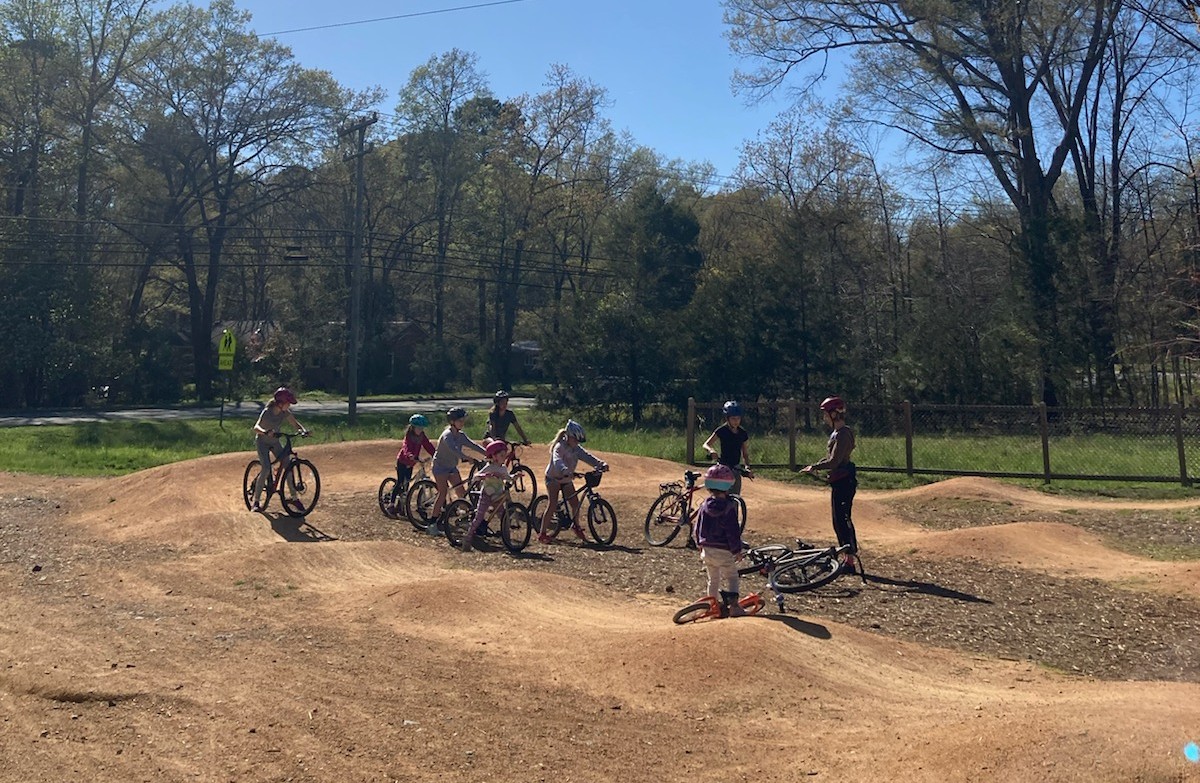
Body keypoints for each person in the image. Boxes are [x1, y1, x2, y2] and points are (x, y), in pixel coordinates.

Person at [801, 395, 859, 574]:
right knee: (838, 520)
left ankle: (850, 560)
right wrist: (818, 465)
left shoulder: (843, 434)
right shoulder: (837, 433)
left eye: (826, 414)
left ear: (834, 414)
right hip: (838, 480)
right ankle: (847, 558)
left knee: (843, 520)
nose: (824, 418)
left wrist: (815, 467)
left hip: (844, 481)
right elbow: (831, 458)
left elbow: (835, 460)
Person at [538, 419, 608, 544]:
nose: (577, 443)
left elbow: (587, 456)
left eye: (578, 441)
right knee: (553, 504)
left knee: (575, 503)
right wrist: (564, 470)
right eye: (575, 440)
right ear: (568, 437)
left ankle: (576, 526)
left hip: (566, 479)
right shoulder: (559, 447)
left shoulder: (576, 448)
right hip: (553, 478)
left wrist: (600, 464)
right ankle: (542, 533)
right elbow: (557, 460)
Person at [692, 464, 747, 617]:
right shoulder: (729, 508)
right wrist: (737, 550)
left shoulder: (704, 505)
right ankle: (734, 606)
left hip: (707, 549)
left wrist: (699, 543)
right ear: (728, 486)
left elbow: (698, 526)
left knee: (713, 579)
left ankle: (712, 606)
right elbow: (732, 532)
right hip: (724, 550)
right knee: (732, 576)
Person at [429, 407, 488, 535]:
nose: (462, 423)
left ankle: (465, 518)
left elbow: (473, 445)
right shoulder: (447, 435)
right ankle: (432, 523)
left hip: (451, 467)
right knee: (443, 493)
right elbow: (453, 449)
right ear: (452, 422)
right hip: (440, 467)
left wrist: (489, 454)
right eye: (460, 421)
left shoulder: (460, 435)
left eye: (463, 420)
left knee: (461, 492)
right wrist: (467, 457)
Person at [250, 386, 308, 512]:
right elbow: (256, 427)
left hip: (275, 442)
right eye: (288, 403)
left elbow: (295, 424)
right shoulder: (267, 412)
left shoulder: (284, 412)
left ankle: (294, 498)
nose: (289, 405)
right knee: (266, 468)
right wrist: (265, 432)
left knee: (288, 467)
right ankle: (256, 502)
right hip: (262, 442)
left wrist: (303, 431)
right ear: (280, 403)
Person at [460, 439, 513, 552]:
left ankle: (508, 541)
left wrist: (515, 476)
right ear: (494, 456)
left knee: (504, 517)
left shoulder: (503, 468)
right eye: (501, 455)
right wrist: (485, 476)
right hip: (486, 495)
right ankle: (468, 538)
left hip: (497, 496)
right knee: (479, 517)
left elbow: (508, 477)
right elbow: (476, 477)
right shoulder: (489, 467)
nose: (504, 457)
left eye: (505, 455)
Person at [702, 400, 753, 495]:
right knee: (720, 495)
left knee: (735, 496)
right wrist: (711, 450)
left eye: (738, 418)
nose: (736, 421)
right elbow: (706, 444)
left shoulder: (742, 433)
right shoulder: (722, 430)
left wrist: (747, 467)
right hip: (722, 468)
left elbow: (745, 453)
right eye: (733, 419)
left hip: (736, 468)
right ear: (727, 418)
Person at [390, 413, 435, 513]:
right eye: (418, 428)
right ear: (413, 427)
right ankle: (391, 504)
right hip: (403, 461)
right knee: (400, 482)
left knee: (406, 485)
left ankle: (400, 504)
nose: (420, 430)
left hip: (411, 463)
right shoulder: (409, 436)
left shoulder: (422, 436)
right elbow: (405, 447)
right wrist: (410, 455)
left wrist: (435, 454)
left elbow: (428, 445)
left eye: (422, 428)